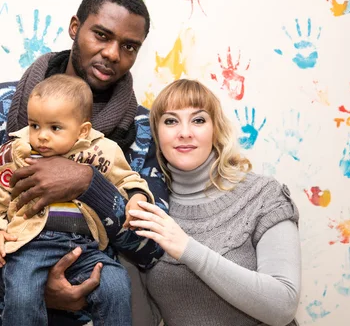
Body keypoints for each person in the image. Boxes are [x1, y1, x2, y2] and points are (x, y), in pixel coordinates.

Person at [0, 0, 169, 326]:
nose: (112, 53)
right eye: (101, 35)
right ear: (75, 28)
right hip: (1, 311)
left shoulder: (139, 126)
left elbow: (151, 246)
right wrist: (26, 285)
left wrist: (88, 183)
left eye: (129, 46)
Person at [0, 74, 154, 325]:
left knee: (116, 284)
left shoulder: (103, 151)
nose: (42, 136)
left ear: (83, 130)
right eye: (35, 125)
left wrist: (136, 197)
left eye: (54, 128)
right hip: (29, 246)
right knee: (23, 294)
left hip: (85, 248)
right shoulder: (15, 153)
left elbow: (127, 179)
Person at [128, 79, 301, 326]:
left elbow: (283, 306)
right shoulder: (148, 208)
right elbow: (146, 318)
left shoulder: (263, 195)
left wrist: (187, 248)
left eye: (198, 120)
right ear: (156, 135)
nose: (185, 132)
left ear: (215, 129)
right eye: (170, 121)